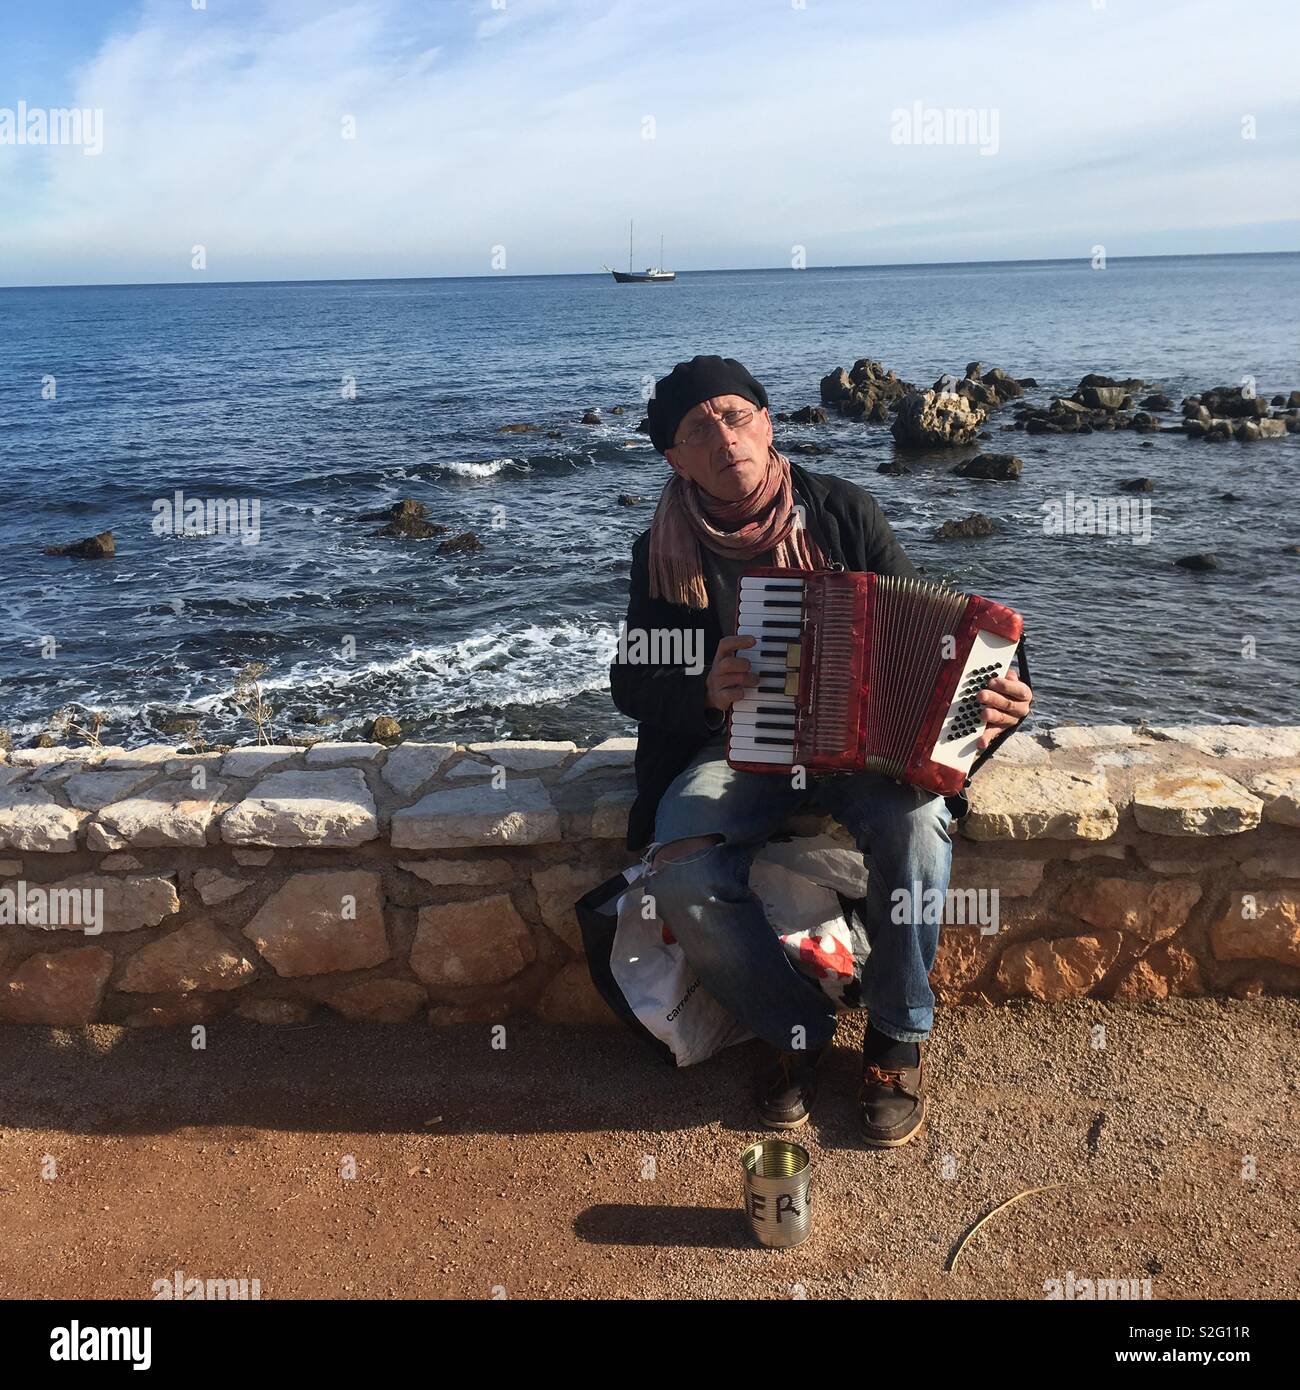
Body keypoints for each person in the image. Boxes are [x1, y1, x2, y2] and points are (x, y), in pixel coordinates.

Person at [608, 354, 1033, 1147]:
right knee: (684, 866)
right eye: (698, 430)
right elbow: (632, 680)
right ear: (674, 458)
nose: (723, 437)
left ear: (768, 424)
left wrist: (1004, 693)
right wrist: (702, 686)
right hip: (733, 751)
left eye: (736, 416)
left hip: (860, 748)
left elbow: (947, 632)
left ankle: (898, 1034)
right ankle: (795, 1029)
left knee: (916, 827)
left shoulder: (844, 512)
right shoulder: (661, 554)